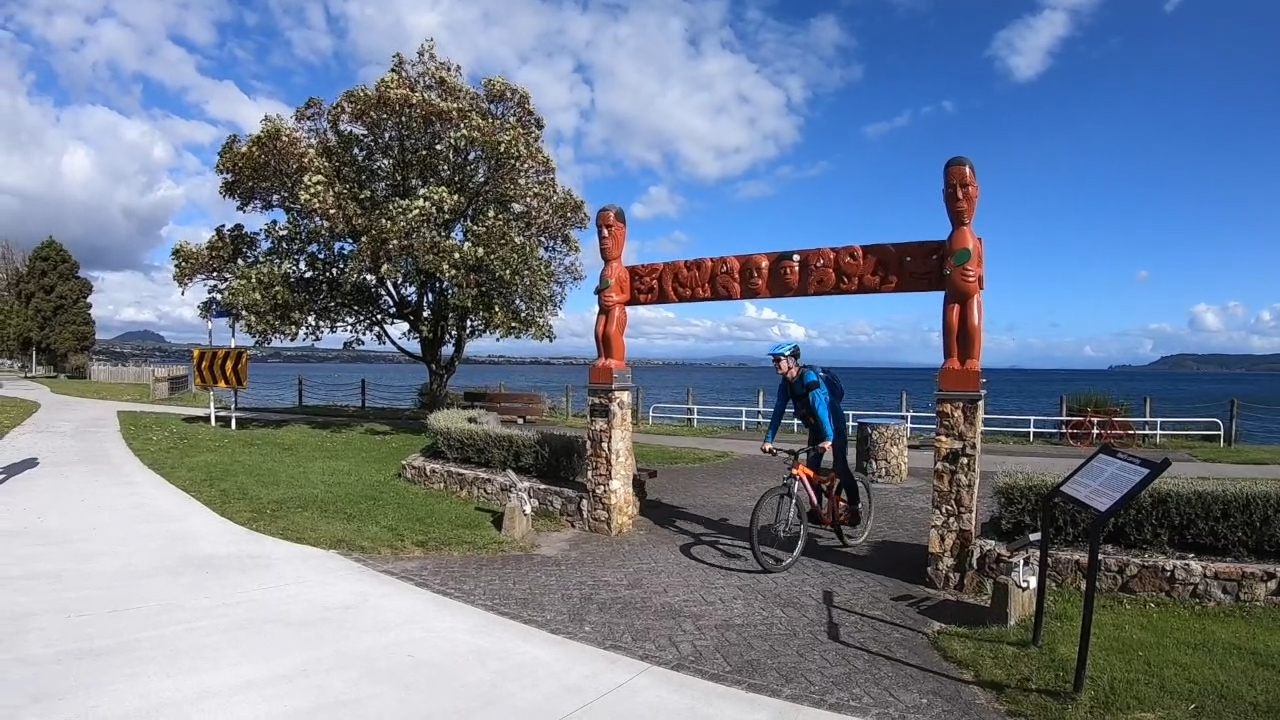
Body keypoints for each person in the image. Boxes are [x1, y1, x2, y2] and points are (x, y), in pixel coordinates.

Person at [759, 342, 862, 526]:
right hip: (816, 428)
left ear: (791, 361)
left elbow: (821, 408)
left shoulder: (808, 377)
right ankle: (817, 510)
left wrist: (829, 438)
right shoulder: (786, 384)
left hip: (833, 424)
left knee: (841, 467)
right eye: (773, 361)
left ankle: (855, 509)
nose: (774, 364)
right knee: (811, 469)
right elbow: (778, 411)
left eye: (778, 360)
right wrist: (768, 440)